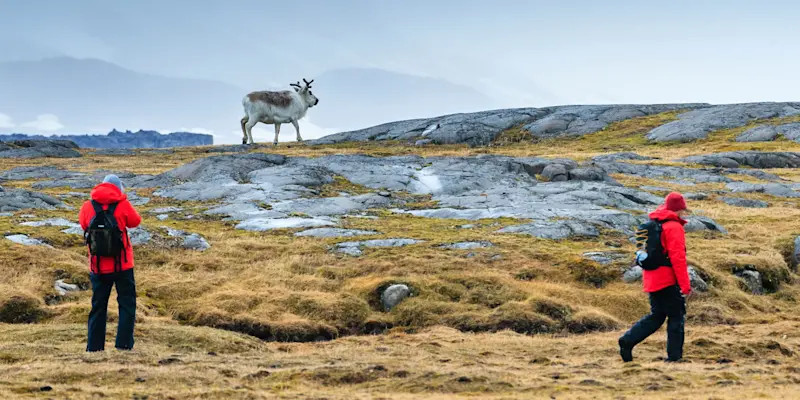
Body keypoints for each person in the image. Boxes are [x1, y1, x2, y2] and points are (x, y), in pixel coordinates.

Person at [619, 192, 692, 363]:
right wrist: (685, 285)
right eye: (683, 210)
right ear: (679, 209)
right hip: (667, 279)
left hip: (652, 277)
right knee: (676, 315)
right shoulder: (673, 227)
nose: (684, 213)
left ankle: (628, 341)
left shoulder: (655, 223)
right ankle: (674, 358)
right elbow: (678, 258)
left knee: (657, 315)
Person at [78, 174, 142, 352]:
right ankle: (123, 344)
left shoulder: (88, 206)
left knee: (98, 306)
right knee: (127, 304)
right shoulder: (122, 204)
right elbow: (136, 221)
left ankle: (94, 347)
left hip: (98, 266)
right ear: (118, 188)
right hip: (122, 265)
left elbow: (84, 225)